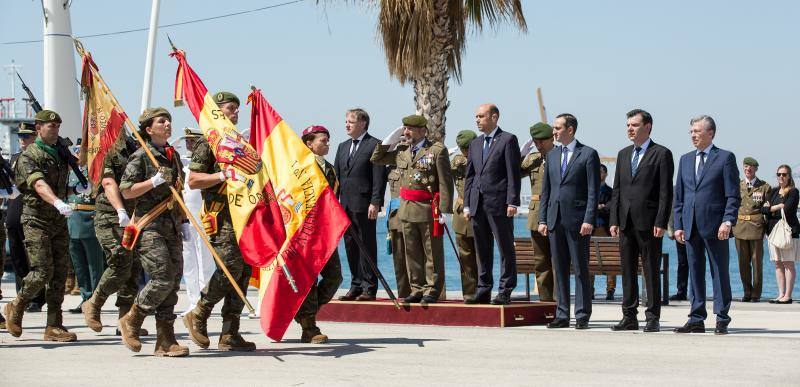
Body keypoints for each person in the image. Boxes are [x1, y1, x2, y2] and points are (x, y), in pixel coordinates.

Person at [183, 92, 255, 352]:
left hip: (243, 215)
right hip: (221, 214)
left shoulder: (240, 142)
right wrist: (222, 175)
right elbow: (193, 180)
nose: (235, 113)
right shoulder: (209, 142)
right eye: (230, 109)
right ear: (217, 113)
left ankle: (230, 333)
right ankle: (199, 313)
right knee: (230, 268)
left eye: (237, 109)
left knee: (244, 271)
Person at [4, 109, 85, 342]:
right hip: (36, 219)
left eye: (58, 126)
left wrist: (74, 191)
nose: (55, 130)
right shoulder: (29, 156)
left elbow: (59, 187)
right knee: (42, 271)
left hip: (58, 220)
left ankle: (54, 326)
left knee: (59, 274)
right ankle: (16, 306)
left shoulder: (60, 153)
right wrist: (58, 201)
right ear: (38, 128)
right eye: (51, 126)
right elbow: (39, 185)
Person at [118, 107, 190, 357]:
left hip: (171, 226)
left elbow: (178, 192)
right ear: (149, 129)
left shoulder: (173, 156)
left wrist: (183, 223)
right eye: (162, 121)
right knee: (162, 278)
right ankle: (133, 318)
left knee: (173, 284)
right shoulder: (141, 156)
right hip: (150, 227)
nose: (167, 124)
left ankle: (165, 340)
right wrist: (153, 182)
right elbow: (126, 190)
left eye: (169, 120)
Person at [372, 115, 453, 304]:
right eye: (404, 129)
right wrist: (389, 139)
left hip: (427, 209)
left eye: (410, 129)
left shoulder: (436, 150)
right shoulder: (401, 151)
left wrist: (445, 210)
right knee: (412, 252)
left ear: (422, 130)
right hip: (406, 210)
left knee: (431, 252)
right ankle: (416, 288)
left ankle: (432, 289)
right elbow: (377, 158)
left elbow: (445, 181)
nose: (406, 132)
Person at [673, 115, 740, 335]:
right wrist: (679, 224)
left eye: (697, 131)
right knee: (695, 272)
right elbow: (680, 197)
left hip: (716, 227)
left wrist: (727, 220)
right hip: (690, 226)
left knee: (719, 273)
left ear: (710, 133)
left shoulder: (725, 158)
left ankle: (722, 317)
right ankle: (696, 317)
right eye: (691, 131)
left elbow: (733, 195)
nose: (693, 135)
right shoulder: (684, 159)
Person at [609, 109, 674, 333]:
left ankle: (652, 317)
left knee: (650, 270)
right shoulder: (623, 154)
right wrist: (614, 218)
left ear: (648, 127)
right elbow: (617, 190)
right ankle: (629, 315)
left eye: (634, 125)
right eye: (628, 125)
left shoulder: (661, 153)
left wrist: (661, 221)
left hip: (649, 223)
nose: (630, 129)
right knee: (627, 270)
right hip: (625, 221)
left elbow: (666, 192)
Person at [81, 135, 148, 337]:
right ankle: (94, 303)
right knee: (121, 261)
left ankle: (124, 320)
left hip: (135, 217)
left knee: (133, 266)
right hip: (110, 215)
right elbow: (108, 183)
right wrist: (120, 211)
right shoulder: (106, 151)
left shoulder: (139, 149)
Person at [538, 113, 600, 329]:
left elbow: (594, 191)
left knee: (581, 268)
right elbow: (546, 190)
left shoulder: (588, 154)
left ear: (570, 129)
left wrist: (589, 218)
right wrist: (543, 218)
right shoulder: (552, 155)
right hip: (555, 220)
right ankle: (562, 313)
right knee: (560, 268)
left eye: (557, 128)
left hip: (578, 221)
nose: (553, 132)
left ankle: (582, 314)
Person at [463, 104, 522, 305]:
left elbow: (513, 173)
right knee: (482, 248)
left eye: (481, 116)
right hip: (477, 203)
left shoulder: (508, 139)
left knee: (505, 248)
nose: (477, 120)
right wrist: (467, 204)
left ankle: (505, 289)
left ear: (494, 117)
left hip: (499, 203)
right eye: (476, 116)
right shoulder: (475, 143)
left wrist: (512, 201)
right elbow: (469, 175)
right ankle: (483, 288)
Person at [293, 125, 343, 343]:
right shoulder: (299, 168)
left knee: (335, 276)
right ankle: (309, 326)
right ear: (309, 143)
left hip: (325, 232)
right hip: (305, 232)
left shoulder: (330, 169)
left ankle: (302, 311)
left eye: (328, 140)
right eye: (323, 140)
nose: (327, 144)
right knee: (309, 280)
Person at [335, 108, 385, 301]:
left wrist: (375, 202)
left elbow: (378, 178)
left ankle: (369, 287)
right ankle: (355, 285)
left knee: (367, 245)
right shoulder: (342, 146)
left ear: (363, 123)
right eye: (346, 121)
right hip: (345, 206)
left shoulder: (375, 145)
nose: (346, 124)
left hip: (365, 205)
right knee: (350, 246)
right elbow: (338, 178)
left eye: (351, 121)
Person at [6, 124, 46, 313]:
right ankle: (21, 293)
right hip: (14, 209)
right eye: (20, 136)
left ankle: (36, 297)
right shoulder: (13, 159)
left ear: (35, 136)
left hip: (32, 208)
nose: (22, 139)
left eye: (26, 136)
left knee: (34, 255)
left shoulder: (39, 157)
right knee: (16, 255)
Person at [178, 128, 214, 315]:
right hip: (185, 220)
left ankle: (204, 302)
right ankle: (193, 301)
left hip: (202, 218)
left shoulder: (208, 166)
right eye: (188, 141)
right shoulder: (182, 164)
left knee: (205, 261)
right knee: (189, 262)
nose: (189, 144)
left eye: (193, 141)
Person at [66, 148, 105, 314]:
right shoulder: (72, 172)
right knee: (79, 263)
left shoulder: (96, 171)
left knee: (94, 263)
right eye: (77, 152)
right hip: (73, 219)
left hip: (90, 218)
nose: (78, 155)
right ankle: (85, 296)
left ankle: (95, 299)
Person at [520, 122, 555, 302]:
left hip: (556, 211)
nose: (539, 145)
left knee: (557, 260)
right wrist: (522, 154)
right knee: (541, 261)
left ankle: (559, 301)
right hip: (536, 213)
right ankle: (545, 300)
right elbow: (514, 173)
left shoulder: (559, 156)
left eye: (542, 141)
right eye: (536, 142)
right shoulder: (533, 158)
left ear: (552, 139)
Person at [733, 157, 770, 302]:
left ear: (756, 169)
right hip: (740, 227)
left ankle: (756, 293)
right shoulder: (738, 186)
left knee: (756, 263)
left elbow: (767, 208)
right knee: (743, 263)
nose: (748, 169)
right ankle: (747, 292)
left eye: (751, 167)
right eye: (746, 166)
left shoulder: (764, 187)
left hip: (756, 227)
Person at [762, 165, 798, 304]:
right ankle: (780, 294)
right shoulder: (774, 191)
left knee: (788, 264)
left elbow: (788, 209)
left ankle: (788, 296)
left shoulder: (794, 192)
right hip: (772, 231)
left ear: (789, 176)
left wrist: (770, 208)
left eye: (784, 174)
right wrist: (777, 207)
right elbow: (763, 210)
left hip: (787, 231)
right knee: (778, 264)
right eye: (779, 174)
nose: (781, 177)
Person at [451, 130, 479, 302]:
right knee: (465, 256)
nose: (465, 152)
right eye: (463, 149)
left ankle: (483, 290)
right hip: (461, 213)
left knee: (482, 256)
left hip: (479, 211)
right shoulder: (457, 162)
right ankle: (469, 293)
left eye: (467, 148)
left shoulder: (485, 159)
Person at [591, 163, 617, 300]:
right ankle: (589, 289)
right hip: (591, 229)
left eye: (601, 172)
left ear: (606, 174)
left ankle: (610, 290)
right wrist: (600, 207)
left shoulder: (610, 191)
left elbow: (610, 208)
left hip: (606, 230)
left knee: (611, 261)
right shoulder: (589, 190)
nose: (598, 174)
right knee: (590, 261)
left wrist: (599, 207)